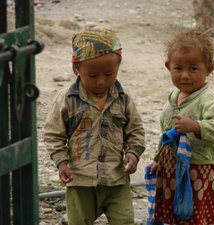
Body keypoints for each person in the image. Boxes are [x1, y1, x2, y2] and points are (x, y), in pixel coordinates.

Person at [44, 27, 145, 225]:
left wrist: (133, 153)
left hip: (117, 179)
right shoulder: (67, 100)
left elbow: (136, 131)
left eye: (109, 74)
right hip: (80, 180)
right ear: (76, 69)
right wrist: (62, 163)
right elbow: (53, 135)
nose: (101, 81)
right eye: (92, 75)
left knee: (125, 221)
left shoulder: (123, 100)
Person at [149, 29, 214, 225]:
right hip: (174, 167)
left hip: (200, 170)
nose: (185, 75)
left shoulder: (208, 100)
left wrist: (196, 126)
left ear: (209, 69)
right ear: (168, 67)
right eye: (178, 69)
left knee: (196, 215)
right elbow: (165, 134)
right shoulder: (173, 100)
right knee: (176, 214)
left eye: (193, 69)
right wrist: (158, 159)